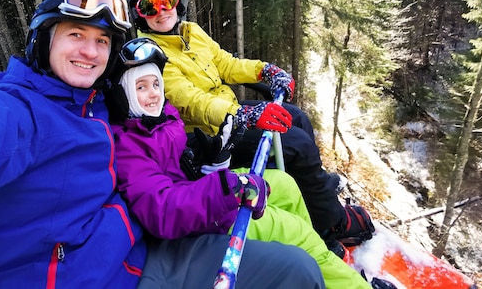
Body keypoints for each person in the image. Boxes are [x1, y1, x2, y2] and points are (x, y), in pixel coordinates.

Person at [0, 0, 326, 288]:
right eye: (75, 35)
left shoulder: (101, 103)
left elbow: (162, 124)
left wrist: (208, 154)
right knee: (294, 272)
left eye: (102, 41)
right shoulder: (17, 114)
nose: (90, 51)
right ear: (45, 42)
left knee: (289, 237)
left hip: (141, 245)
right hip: (106, 274)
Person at [108, 37, 391, 289]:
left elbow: (227, 63)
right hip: (200, 219)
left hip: (200, 194)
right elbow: (163, 205)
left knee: (284, 184)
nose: (154, 93)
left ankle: (322, 258)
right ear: (123, 96)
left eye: (156, 84)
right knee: (293, 229)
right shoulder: (130, 146)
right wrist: (225, 182)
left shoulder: (164, 117)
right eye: (141, 87)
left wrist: (211, 163)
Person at [125, 0, 375, 251]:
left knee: (297, 118)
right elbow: (190, 101)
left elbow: (226, 64)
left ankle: (314, 194)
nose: (160, 11)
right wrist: (243, 116)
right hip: (208, 134)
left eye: (166, 0)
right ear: (139, 15)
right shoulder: (150, 53)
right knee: (295, 144)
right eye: (148, 5)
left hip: (231, 111)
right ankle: (332, 224)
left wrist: (264, 70)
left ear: (177, 2)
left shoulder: (190, 32)